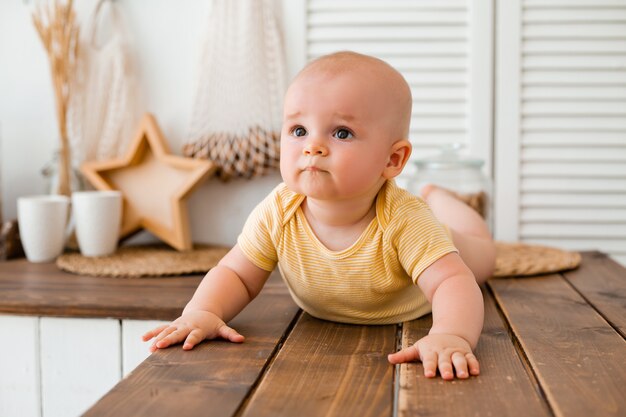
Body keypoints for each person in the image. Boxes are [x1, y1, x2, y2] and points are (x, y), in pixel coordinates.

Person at [143, 51, 496, 381]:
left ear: (393, 160)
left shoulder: (405, 220)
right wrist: (204, 310)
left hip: (440, 258)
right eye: (299, 131)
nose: (313, 146)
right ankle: (436, 196)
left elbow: (452, 282)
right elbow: (237, 273)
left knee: (480, 253)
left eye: (341, 133)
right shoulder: (278, 211)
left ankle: (440, 198)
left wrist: (450, 335)